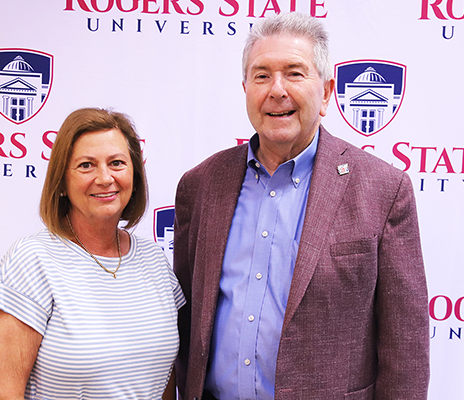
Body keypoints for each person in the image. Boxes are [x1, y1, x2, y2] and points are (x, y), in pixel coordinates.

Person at [173, 13, 429, 400]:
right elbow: (187, 321)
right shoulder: (201, 186)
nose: (277, 90)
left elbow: (405, 345)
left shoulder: (383, 190)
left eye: (294, 73)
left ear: (326, 92)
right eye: (261, 76)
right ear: (245, 88)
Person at [0, 108, 185, 400]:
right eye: (87, 165)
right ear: (62, 182)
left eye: (117, 163)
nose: (105, 178)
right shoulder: (31, 260)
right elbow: (0, 393)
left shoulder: (153, 260)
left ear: (135, 175)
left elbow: (165, 379)